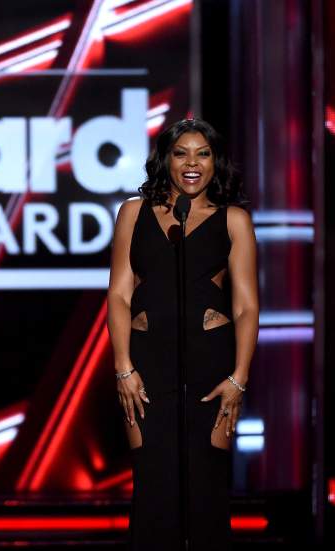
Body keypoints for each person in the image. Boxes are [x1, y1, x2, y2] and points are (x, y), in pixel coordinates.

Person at [107, 118, 259, 550]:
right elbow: (119, 293)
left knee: (206, 492)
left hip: (212, 373)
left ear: (216, 162)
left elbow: (247, 306)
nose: (192, 163)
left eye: (203, 153)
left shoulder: (233, 220)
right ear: (166, 160)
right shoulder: (133, 213)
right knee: (152, 489)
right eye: (181, 153)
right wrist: (123, 368)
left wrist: (238, 378)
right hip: (144, 369)